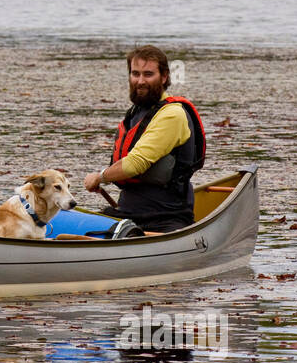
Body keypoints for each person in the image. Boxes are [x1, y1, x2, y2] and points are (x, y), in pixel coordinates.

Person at [84, 45, 206, 233]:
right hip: (128, 215)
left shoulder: (172, 115)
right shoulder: (136, 112)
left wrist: (99, 178)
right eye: (135, 74)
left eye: (148, 74)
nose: (140, 81)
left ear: (164, 77)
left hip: (163, 219)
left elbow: (135, 164)